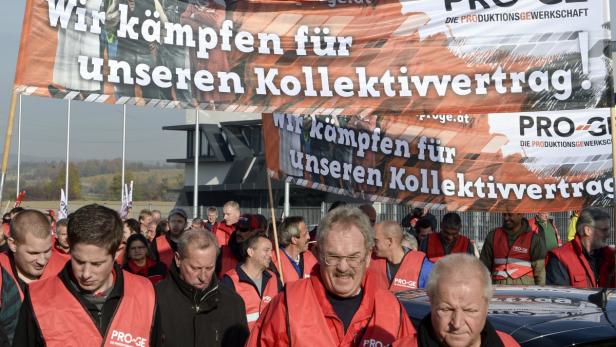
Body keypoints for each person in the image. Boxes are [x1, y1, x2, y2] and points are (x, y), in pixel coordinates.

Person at [246, 206, 415, 346]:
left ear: (368, 256)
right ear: (318, 254)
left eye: (353, 257)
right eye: (333, 257)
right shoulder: (287, 305)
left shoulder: (391, 308)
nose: (343, 267)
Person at [13, 204, 156, 346]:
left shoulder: (145, 293)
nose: (86, 274)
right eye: (79, 261)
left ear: (118, 251)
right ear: (70, 247)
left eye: (97, 264)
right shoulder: (38, 298)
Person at [392, 254, 520, 347]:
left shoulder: (509, 344)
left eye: (470, 310)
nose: (457, 323)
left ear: (487, 305)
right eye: (446, 309)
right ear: (431, 302)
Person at [154, 229, 249, 346]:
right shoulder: (155, 299)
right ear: (178, 259)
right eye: (195, 268)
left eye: (209, 268)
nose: (203, 277)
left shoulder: (233, 303)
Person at [222, 233, 281, 331]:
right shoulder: (230, 281)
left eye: (271, 251)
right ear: (250, 252)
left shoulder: (274, 279)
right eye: (266, 250)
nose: (271, 255)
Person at [546, 207, 615, 288]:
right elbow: (559, 297)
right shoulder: (561, 259)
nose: (608, 235)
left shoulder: (610, 256)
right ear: (587, 230)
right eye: (604, 230)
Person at [480, 212, 546, 285]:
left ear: (521, 214)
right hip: (498, 291)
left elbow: (539, 272)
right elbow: (482, 268)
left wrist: (539, 293)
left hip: (525, 293)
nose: (506, 218)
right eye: (504, 215)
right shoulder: (493, 236)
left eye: (510, 215)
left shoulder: (534, 239)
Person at [371, 220, 433, 291]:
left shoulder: (424, 267)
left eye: (375, 241)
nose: (372, 244)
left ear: (389, 241)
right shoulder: (370, 262)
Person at [271, 216, 318, 285]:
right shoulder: (273, 261)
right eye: (305, 234)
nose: (309, 237)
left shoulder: (310, 258)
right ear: (294, 240)